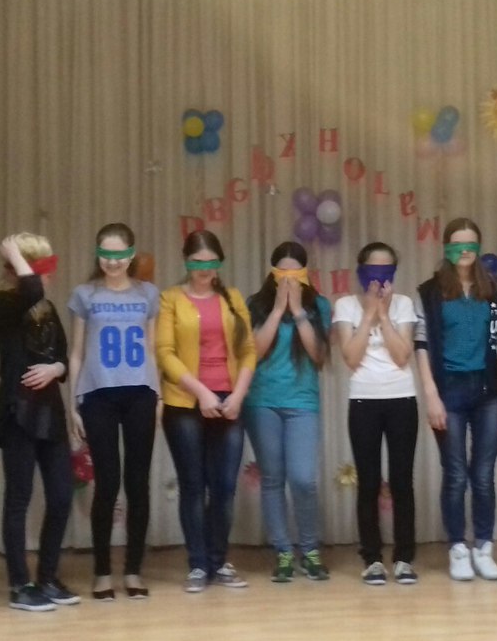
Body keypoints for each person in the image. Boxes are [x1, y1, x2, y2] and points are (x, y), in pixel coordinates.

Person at [414, 218, 497, 582]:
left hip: (489, 390)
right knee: (456, 474)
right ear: (446, 248)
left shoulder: (495, 289)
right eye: (457, 243)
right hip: (448, 391)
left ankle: (484, 547)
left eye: (471, 244)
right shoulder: (430, 292)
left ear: (478, 247)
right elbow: (422, 343)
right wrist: (430, 394)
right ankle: (458, 547)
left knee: (484, 475)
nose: (464, 250)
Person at [156, 230, 256, 593]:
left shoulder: (233, 298)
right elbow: (164, 352)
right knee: (193, 485)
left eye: (211, 261)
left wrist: (238, 395)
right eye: (197, 262)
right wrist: (201, 393)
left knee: (225, 487)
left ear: (220, 263)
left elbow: (248, 350)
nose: (204, 268)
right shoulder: (170, 299)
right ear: (186, 261)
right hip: (185, 403)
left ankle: (218, 560)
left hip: (229, 401)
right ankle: (198, 564)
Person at [0, 233, 79, 611]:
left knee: (61, 496)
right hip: (17, 410)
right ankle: (20, 584)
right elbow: (31, 290)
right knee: (19, 498)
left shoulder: (48, 308)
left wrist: (56, 369)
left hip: (50, 411)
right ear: (15, 269)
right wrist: (17, 257)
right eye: (40, 268)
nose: (47, 276)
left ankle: (48, 577)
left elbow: (63, 357)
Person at [66, 223, 160, 601]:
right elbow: (76, 353)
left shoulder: (148, 293)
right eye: (105, 254)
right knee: (107, 482)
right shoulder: (84, 294)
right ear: (97, 255)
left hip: (140, 393)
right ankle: (102, 572)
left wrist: (159, 395)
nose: (112, 261)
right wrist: (72, 403)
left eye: (119, 254)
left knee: (138, 482)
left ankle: (134, 570)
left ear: (131, 255)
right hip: (98, 394)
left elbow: (152, 348)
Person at [243, 242, 332, 582]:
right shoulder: (255, 304)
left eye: (296, 274)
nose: (289, 280)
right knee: (272, 479)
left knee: (303, 479)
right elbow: (253, 352)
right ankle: (282, 552)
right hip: (262, 401)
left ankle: (309, 550)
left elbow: (319, 356)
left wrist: (297, 311)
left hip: (302, 403)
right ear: (272, 274)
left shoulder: (319, 305)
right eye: (283, 273)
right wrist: (278, 309)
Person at [332, 242, 420, 585]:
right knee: (368, 481)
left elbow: (402, 355)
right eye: (373, 271)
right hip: (363, 400)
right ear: (360, 271)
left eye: (386, 272)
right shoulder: (345, 305)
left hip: (401, 398)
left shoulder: (404, 304)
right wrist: (368, 313)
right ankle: (371, 559)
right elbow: (350, 357)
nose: (379, 280)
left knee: (402, 480)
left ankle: (404, 558)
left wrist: (384, 314)